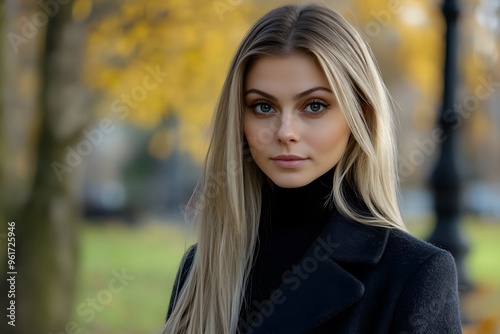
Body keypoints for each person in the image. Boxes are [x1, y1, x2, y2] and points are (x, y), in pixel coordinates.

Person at [162, 3, 462, 334]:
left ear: (359, 115)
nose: (285, 132)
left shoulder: (414, 274)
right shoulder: (201, 269)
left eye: (314, 106)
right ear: (239, 119)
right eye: (263, 106)